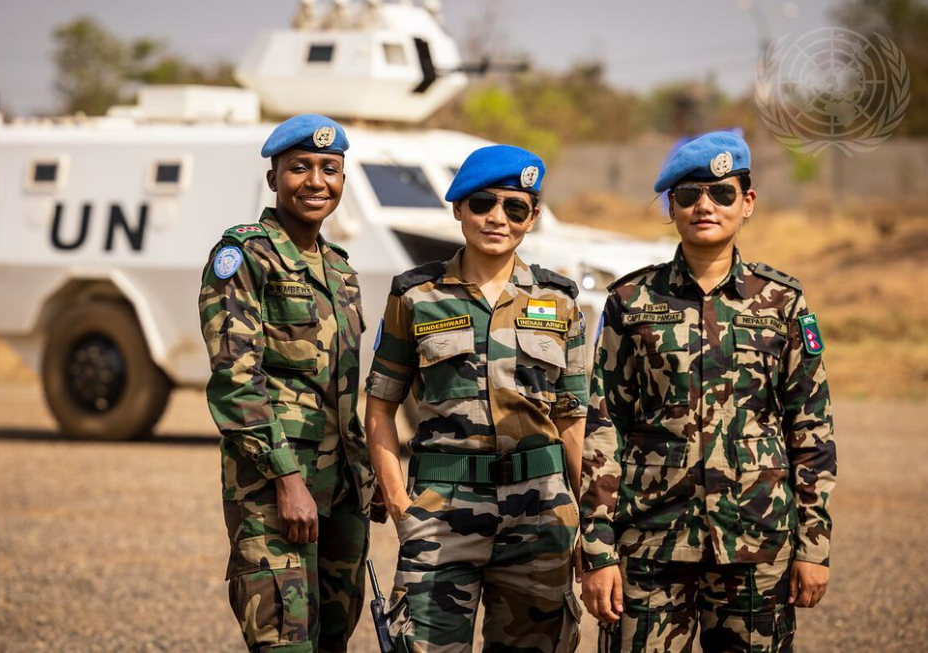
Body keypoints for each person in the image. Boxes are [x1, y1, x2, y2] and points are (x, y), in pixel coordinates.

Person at [579, 131, 836, 653]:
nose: (705, 206)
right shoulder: (630, 301)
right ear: (670, 204)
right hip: (650, 545)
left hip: (757, 544)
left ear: (748, 202)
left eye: (721, 193)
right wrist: (599, 550)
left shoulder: (782, 301)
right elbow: (603, 428)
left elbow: (811, 429)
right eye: (689, 193)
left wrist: (813, 544)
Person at [365, 144, 587, 653]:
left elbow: (574, 419)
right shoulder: (415, 296)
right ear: (458, 208)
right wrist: (400, 505)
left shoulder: (559, 300)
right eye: (483, 203)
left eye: (515, 207)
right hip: (441, 511)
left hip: (541, 515)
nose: (497, 218)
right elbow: (380, 404)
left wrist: (591, 525)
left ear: (532, 218)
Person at [199, 114, 380, 653]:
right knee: (285, 643)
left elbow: (345, 389)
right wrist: (287, 479)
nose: (316, 181)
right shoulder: (244, 256)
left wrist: (367, 478)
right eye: (299, 168)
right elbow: (235, 379)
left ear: (344, 181)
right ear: (274, 177)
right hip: (276, 490)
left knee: (332, 643)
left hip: (341, 494)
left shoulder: (341, 272)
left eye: (330, 169)